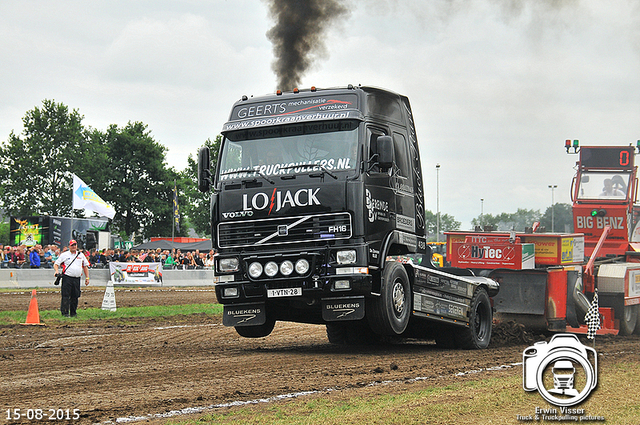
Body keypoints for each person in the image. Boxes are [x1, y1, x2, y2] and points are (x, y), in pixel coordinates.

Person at [53, 239, 90, 318]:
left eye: (75, 245)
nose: (74, 246)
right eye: (72, 245)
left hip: (77, 278)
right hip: (67, 278)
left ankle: (73, 313)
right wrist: (56, 271)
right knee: (66, 296)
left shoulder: (81, 255)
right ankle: (65, 313)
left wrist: (87, 277)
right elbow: (56, 264)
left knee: (75, 296)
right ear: (69, 246)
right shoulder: (64, 255)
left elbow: (85, 266)